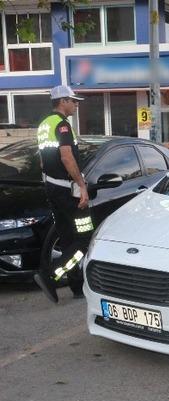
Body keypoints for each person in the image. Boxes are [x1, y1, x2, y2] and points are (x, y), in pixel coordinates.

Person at [32, 85, 92, 304]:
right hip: (68, 191)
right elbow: (67, 157)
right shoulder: (63, 125)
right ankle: (52, 274)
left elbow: (41, 160)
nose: (76, 105)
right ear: (63, 101)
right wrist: (81, 186)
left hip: (53, 188)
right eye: (73, 101)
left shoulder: (44, 125)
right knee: (84, 239)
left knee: (68, 238)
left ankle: (76, 286)